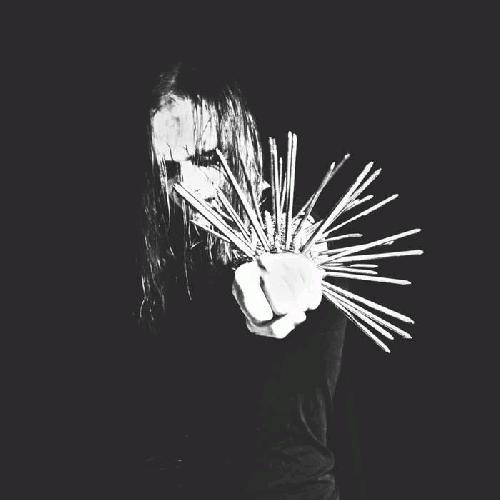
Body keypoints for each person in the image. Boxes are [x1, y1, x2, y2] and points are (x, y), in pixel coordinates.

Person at [136, 61, 348, 499]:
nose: (187, 187)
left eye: (206, 159)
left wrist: (282, 291)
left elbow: (295, 272)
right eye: (170, 169)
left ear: (242, 148)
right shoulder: (170, 257)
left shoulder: (291, 235)